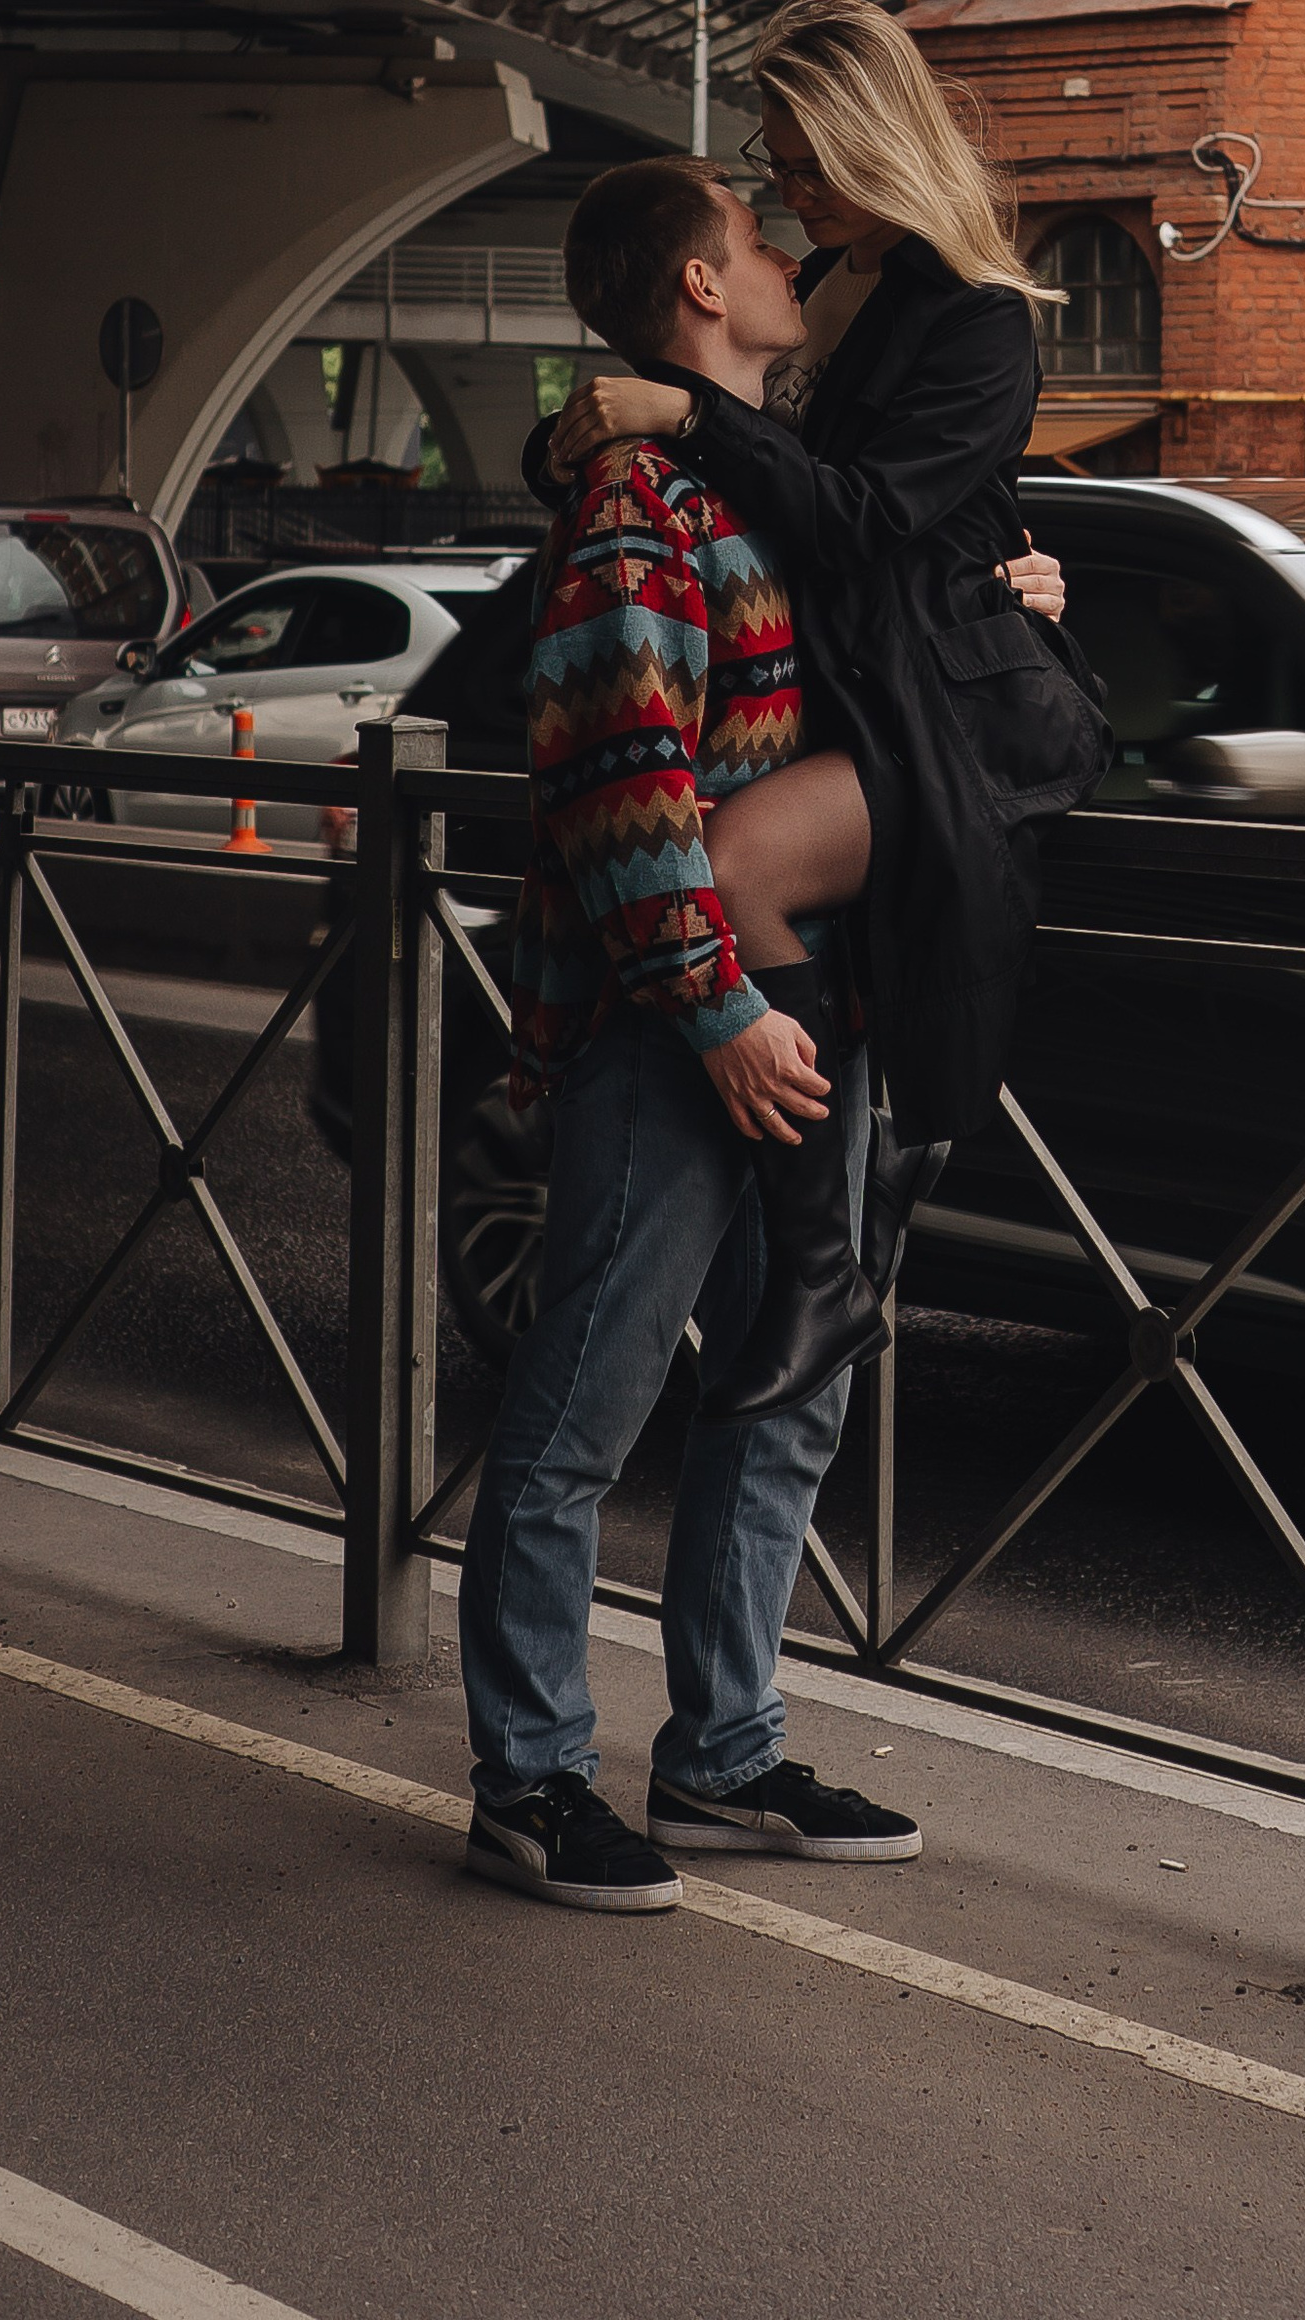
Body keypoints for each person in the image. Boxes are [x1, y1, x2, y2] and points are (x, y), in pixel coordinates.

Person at [458, 152, 923, 1913]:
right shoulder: (637, 505)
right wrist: (716, 1007)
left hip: (812, 997)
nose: (796, 253)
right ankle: (530, 1776)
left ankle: (724, 1752)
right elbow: (613, 782)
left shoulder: (761, 484)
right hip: (683, 1026)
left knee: (785, 1388)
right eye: (760, 237)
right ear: (700, 291)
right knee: (586, 1401)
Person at [543, 0, 1113, 1424]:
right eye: (775, 169)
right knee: (739, 867)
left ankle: (823, 1272)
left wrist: (674, 416)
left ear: (874, 144)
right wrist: (589, 435)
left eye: (803, 163)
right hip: (877, 691)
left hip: (962, 709)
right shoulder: (837, 286)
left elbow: (857, 516)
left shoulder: (978, 318)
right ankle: (820, 1265)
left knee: (734, 862)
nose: (786, 195)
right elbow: (695, 397)